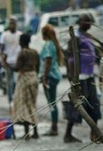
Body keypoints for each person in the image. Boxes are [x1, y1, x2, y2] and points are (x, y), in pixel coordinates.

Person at [63, 13, 101, 143]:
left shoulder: (87, 36)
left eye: (90, 21)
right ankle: (68, 134)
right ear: (80, 22)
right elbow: (70, 58)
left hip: (89, 75)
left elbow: (96, 52)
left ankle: (94, 134)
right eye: (86, 21)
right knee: (79, 104)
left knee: (94, 103)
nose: (89, 23)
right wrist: (73, 77)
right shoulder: (77, 37)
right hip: (80, 77)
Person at [13, 33, 40, 139]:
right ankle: (36, 132)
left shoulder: (22, 53)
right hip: (33, 77)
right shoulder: (35, 52)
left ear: (22, 42)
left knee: (24, 105)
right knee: (32, 105)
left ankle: (26, 133)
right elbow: (38, 67)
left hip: (24, 78)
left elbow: (16, 68)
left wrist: (6, 64)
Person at [39, 24, 64, 137]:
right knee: (52, 102)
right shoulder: (53, 44)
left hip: (50, 77)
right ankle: (54, 127)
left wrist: (44, 78)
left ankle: (54, 128)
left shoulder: (48, 45)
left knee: (52, 103)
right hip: (54, 76)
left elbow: (47, 62)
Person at [0, 18, 22, 106]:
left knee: (17, 81)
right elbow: (1, 48)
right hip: (8, 61)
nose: (12, 26)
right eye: (10, 24)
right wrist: (3, 60)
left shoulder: (20, 34)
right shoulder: (4, 35)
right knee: (9, 82)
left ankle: (18, 98)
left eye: (13, 24)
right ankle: (10, 100)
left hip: (18, 61)